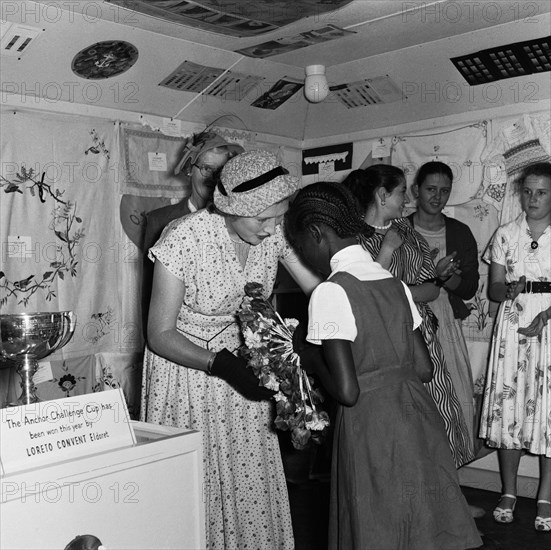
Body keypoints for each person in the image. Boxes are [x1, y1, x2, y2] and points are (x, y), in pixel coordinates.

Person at [285, 181, 482, 550]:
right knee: (418, 521)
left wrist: (310, 356)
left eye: (299, 246)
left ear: (316, 234)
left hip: (369, 423)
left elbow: (346, 390)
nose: (302, 254)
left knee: (377, 521)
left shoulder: (332, 290)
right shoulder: (395, 284)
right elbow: (424, 369)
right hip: (415, 416)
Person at [140, 149, 320, 549]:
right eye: (263, 219)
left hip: (246, 365)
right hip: (187, 370)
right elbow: (160, 333)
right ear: (231, 209)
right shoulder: (184, 238)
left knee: (247, 479)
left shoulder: (270, 234)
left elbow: (316, 287)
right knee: (199, 486)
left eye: (279, 217)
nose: (274, 229)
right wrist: (220, 364)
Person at [342, 165, 475, 468]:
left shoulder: (406, 230)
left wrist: (407, 289)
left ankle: (448, 500)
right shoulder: (352, 238)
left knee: (441, 412)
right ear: (382, 195)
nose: (406, 199)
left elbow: (430, 290)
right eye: (401, 191)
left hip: (422, 334)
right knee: (401, 424)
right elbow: (364, 294)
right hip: (382, 343)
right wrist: (387, 251)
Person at [479, 161, 551, 532]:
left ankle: (545, 495)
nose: (533, 198)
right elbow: (493, 289)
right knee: (510, 406)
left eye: (541, 192)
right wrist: (505, 290)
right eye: (528, 191)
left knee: (549, 409)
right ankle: (508, 491)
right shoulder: (506, 234)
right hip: (512, 323)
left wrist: (546, 314)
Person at [141, 131, 243, 338]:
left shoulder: (239, 221)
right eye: (206, 168)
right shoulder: (160, 221)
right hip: (176, 337)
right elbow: (148, 293)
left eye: (220, 170)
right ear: (189, 169)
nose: (212, 178)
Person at [408, 161, 480, 449]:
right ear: (416, 190)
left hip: (445, 320)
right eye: (431, 189)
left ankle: (451, 468)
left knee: (454, 393)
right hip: (409, 321)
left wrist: (447, 278)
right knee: (416, 397)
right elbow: (391, 284)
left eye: (444, 191)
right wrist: (435, 276)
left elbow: (469, 288)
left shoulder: (460, 232)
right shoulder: (399, 231)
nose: (437, 197)